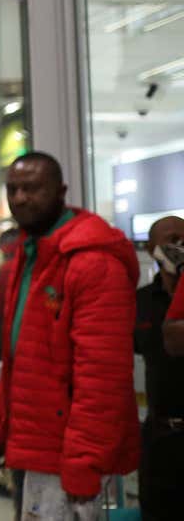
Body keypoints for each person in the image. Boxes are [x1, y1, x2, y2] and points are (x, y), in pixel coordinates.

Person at [0, 152, 140, 521]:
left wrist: (84, 463)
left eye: (32, 188)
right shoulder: (31, 254)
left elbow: (103, 379)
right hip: (34, 449)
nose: (20, 198)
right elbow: (19, 362)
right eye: (13, 189)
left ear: (61, 191)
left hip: (67, 458)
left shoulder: (91, 262)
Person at [135, 215, 184, 521]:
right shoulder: (138, 301)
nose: (179, 245)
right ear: (152, 248)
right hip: (160, 438)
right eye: (171, 239)